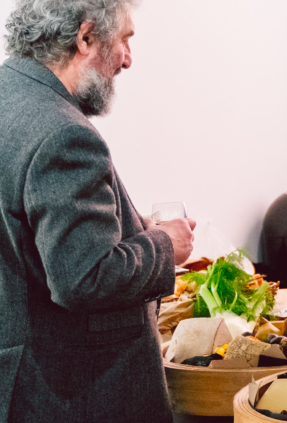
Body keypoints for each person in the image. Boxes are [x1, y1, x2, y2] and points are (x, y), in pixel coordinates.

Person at [0, 0, 197, 421]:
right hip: (75, 393)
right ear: (85, 37)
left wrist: (128, 227)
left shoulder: (8, 99)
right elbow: (84, 278)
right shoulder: (65, 134)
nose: (128, 59)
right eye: (125, 39)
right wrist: (165, 244)